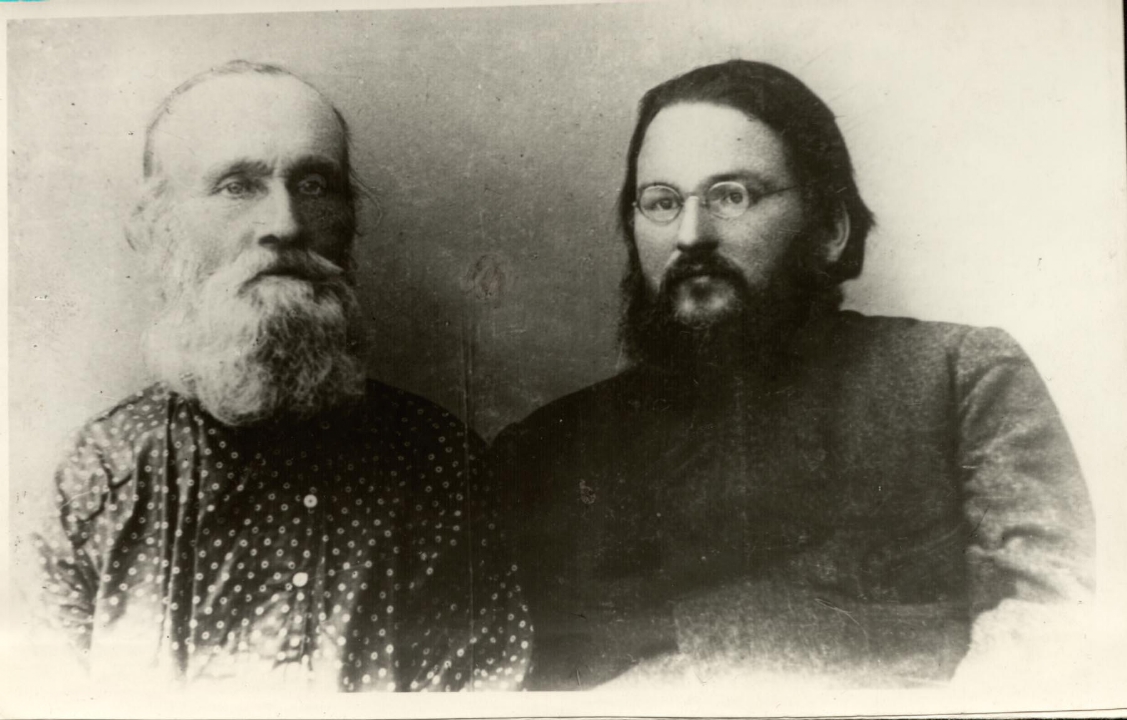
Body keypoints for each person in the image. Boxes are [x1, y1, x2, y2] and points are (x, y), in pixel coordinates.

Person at [488, 60, 1094, 690]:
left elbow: (1050, 630)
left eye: (732, 196)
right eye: (662, 203)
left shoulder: (960, 377)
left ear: (829, 229)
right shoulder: (545, 449)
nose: (691, 236)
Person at [28, 60, 530, 692]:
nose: (286, 224)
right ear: (159, 226)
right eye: (237, 186)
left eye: (314, 184)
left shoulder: (438, 465)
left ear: (349, 221)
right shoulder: (104, 472)